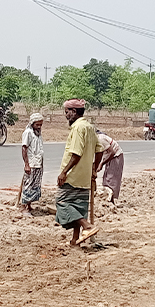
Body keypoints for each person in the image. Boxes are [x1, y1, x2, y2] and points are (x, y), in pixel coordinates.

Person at [56, 98, 103, 246]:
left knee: (62, 202)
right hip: (85, 177)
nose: (66, 115)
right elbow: (99, 150)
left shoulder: (78, 128)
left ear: (74, 112)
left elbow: (76, 154)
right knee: (79, 206)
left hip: (73, 176)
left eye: (67, 112)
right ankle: (75, 239)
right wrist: (94, 168)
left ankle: (87, 225)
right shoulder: (90, 127)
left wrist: (64, 172)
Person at [18, 113, 44, 216]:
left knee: (35, 185)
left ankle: (29, 205)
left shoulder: (38, 133)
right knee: (28, 185)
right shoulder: (28, 133)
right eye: (37, 124)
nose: (39, 127)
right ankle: (23, 206)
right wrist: (26, 164)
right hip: (31, 163)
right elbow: (24, 148)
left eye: (40, 125)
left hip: (38, 163)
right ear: (32, 123)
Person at [96, 130, 125, 205]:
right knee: (106, 177)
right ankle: (109, 198)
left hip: (116, 156)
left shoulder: (100, 139)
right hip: (110, 156)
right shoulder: (96, 140)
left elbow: (112, 152)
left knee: (112, 178)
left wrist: (101, 163)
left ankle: (112, 200)